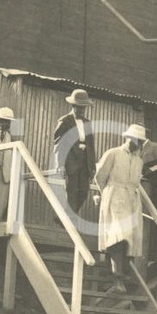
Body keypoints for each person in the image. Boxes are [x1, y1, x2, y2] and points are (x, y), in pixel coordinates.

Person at [95, 124, 148, 279]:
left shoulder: (139, 161)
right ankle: (116, 270)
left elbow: (136, 181)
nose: (138, 144)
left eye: (140, 142)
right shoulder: (113, 153)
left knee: (133, 234)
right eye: (136, 140)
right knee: (119, 232)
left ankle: (126, 270)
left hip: (132, 197)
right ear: (128, 138)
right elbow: (100, 176)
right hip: (115, 195)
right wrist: (106, 193)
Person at [53, 89, 96, 219]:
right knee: (72, 193)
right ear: (73, 106)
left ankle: (64, 217)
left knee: (83, 192)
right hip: (71, 160)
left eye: (84, 108)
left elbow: (91, 145)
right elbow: (59, 144)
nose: (82, 111)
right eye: (79, 107)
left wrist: (92, 166)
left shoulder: (87, 123)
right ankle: (69, 222)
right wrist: (60, 164)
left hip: (84, 162)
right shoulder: (65, 121)